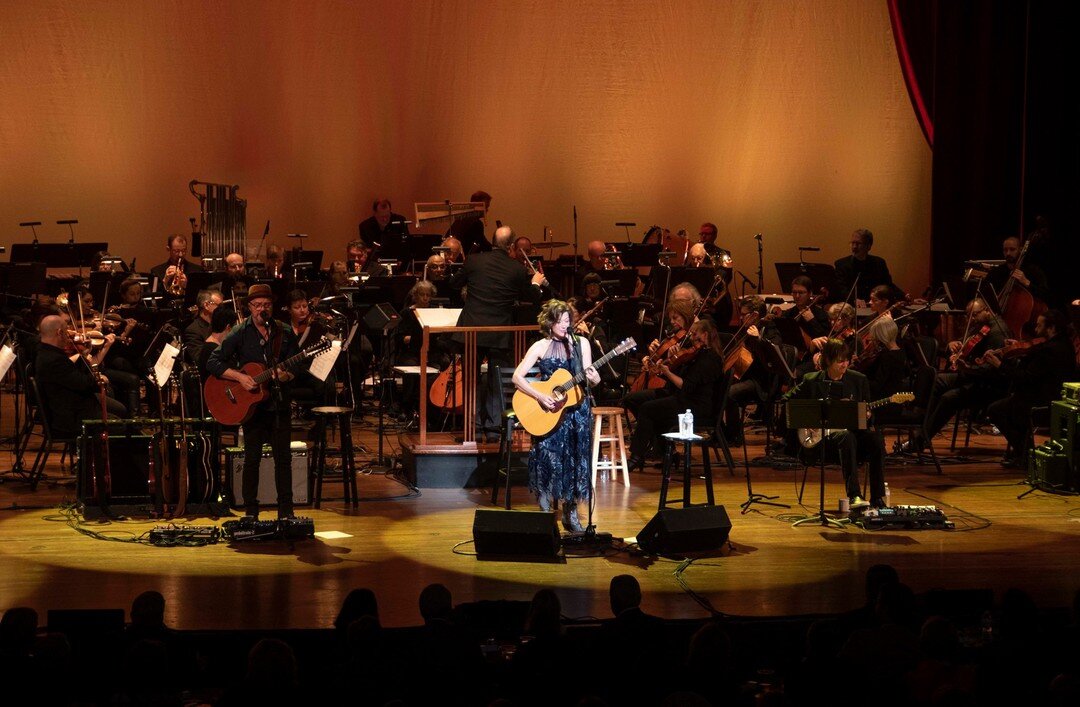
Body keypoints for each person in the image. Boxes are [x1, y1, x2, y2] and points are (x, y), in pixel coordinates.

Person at [207, 284, 299, 519]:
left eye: (266, 305)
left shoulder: (284, 331)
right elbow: (213, 362)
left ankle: (286, 513)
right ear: (249, 307)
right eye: (257, 305)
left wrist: (288, 375)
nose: (262, 309)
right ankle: (251, 511)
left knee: (283, 460)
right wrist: (240, 378)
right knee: (252, 459)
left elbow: (298, 364)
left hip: (278, 404)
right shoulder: (240, 332)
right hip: (252, 409)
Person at [449, 225, 545, 440]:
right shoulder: (517, 269)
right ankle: (493, 429)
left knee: (471, 380)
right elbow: (531, 297)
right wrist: (536, 284)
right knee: (496, 380)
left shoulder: (474, 261)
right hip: (500, 331)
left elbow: (453, 283)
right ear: (511, 246)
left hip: (471, 329)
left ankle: (471, 428)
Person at [513, 300, 601, 531]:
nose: (565, 325)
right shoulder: (540, 346)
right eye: (560, 321)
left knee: (575, 460)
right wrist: (540, 396)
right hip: (550, 411)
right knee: (548, 456)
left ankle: (571, 513)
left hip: (576, 411)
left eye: (567, 320)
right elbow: (518, 377)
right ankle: (544, 509)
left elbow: (591, 375)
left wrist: (594, 378)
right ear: (549, 322)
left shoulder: (581, 344)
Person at [900, 297, 1012, 453]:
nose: (971, 319)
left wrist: (967, 368)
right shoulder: (982, 326)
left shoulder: (997, 333)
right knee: (935, 380)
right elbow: (964, 344)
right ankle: (919, 425)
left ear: (987, 310)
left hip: (989, 385)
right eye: (969, 315)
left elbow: (991, 371)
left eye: (974, 315)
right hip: (972, 376)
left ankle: (921, 436)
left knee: (948, 398)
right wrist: (952, 346)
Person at [785, 338, 887, 509]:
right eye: (840, 360)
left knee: (876, 439)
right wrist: (806, 420)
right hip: (822, 442)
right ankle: (854, 495)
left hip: (853, 436)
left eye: (847, 359)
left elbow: (870, 417)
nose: (844, 364)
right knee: (846, 437)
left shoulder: (859, 380)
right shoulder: (812, 380)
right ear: (828, 360)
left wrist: (868, 415)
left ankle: (877, 497)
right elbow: (787, 401)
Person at [625, 319, 725, 472]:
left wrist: (667, 372)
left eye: (694, 334)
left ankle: (637, 456)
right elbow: (681, 380)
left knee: (647, 409)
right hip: (685, 399)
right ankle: (665, 452)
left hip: (695, 407)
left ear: (705, 335)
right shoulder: (698, 354)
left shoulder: (709, 359)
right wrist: (672, 365)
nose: (691, 337)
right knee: (643, 403)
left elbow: (685, 386)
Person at [986, 310, 1075, 468]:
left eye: (1039, 325)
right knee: (1009, 406)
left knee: (996, 410)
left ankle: (1025, 453)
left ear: (1051, 328)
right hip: (1047, 397)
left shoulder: (1050, 351)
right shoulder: (1063, 344)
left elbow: (1025, 377)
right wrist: (1017, 347)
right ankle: (1022, 451)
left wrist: (1000, 365)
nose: (1036, 329)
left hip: (1043, 402)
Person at [35, 315, 126, 437]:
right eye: (66, 331)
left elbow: (72, 377)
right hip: (70, 419)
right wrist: (98, 379)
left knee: (119, 412)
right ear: (59, 332)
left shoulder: (47, 353)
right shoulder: (54, 359)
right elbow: (84, 384)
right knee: (120, 426)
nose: (69, 336)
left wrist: (84, 355)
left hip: (68, 408)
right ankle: (98, 455)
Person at [985, 235, 1051, 306]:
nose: (1008, 253)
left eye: (1012, 249)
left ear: (1020, 250)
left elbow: (1046, 296)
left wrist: (1026, 282)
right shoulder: (996, 272)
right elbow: (985, 293)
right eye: (1005, 250)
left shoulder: (1033, 271)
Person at [833, 228, 895, 304]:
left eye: (858, 244)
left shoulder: (879, 263)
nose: (854, 247)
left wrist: (904, 296)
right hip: (852, 306)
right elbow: (840, 289)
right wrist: (854, 300)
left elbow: (888, 285)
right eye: (853, 243)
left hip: (875, 305)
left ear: (868, 246)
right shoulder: (841, 264)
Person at [183, 289, 222, 365]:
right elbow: (200, 359)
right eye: (219, 306)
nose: (222, 309)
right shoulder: (193, 330)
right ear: (206, 305)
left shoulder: (222, 324)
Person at [447, 189, 493, 254]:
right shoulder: (476, 223)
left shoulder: (461, 218)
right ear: (478, 206)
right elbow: (483, 244)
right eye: (486, 206)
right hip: (461, 258)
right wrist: (497, 250)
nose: (487, 210)